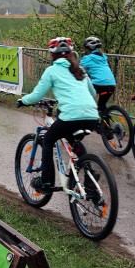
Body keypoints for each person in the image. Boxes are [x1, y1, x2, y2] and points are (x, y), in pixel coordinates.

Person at [17, 37, 99, 194]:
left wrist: (23, 100)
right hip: (91, 116)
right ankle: (90, 174)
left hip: (71, 116)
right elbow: (93, 92)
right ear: (70, 54)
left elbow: (35, 96)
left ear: (52, 55)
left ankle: (46, 181)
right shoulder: (79, 70)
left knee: (48, 140)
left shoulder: (51, 71)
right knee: (72, 140)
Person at [79, 36, 116, 113]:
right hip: (111, 84)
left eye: (85, 48)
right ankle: (105, 123)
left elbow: (78, 70)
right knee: (102, 107)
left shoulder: (87, 58)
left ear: (88, 49)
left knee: (84, 99)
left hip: (99, 84)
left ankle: (88, 114)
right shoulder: (104, 57)